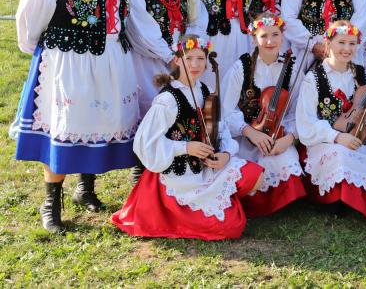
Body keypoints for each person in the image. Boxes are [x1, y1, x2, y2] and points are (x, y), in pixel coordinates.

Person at [13, 0, 139, 234]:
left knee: (94, 122)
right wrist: (45, 53)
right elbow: (29, 18)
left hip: (109, 62)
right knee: (65, 125)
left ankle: (86, 189)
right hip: (68, 64)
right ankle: (51, 203)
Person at [111, 35, 266, 240]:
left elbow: (221, 129)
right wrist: (184, 148)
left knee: (256, 175)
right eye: (189, 58)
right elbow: (144, 142)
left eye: (200, 58)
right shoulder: (168, 100)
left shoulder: (205, 91)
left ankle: (221, 203)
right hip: (179, 175)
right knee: (232, 228)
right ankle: (181, 214)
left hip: (205, 166)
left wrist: (227, 154)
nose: (195, 64)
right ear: (177, 60)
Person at [296, 21, 366, 220]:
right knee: (341, 154)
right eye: (341, 42)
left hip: (357, 132)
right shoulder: (313, 79)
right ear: (328, 43)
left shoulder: (361, 74)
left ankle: (361, 198)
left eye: (352, 44)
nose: (347, 49)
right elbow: (306, 122)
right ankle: (336, 199)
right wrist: (337, 137)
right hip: (325, 138)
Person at [220, 13, 307, 217]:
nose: (270, 41)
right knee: (246, 165)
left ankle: (279, 204)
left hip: (278, 135)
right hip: (245, 136)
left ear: (282, 36)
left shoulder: (292, 69)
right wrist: (250, 132)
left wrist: (288, 139)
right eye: (263, 36)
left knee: (284, 160)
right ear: (254, 39)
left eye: (275, 34)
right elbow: (226, 109)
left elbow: (299, 110)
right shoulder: (241, 68)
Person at [125, 0, 208, 122]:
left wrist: (189, 49)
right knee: (152, 107)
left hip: (180, 58)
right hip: (148, 62)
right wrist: (171, 57)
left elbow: (197, 18)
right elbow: (143, 30)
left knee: (180, 109)